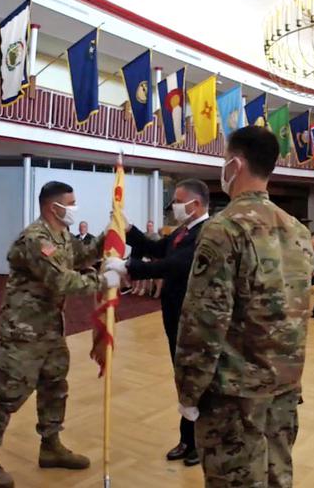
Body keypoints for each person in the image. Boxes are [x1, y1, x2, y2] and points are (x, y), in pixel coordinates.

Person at [174, 126, 314, 488]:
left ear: (235, 164)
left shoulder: (225, 229)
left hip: (235, 395)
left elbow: (203, 321)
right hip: (284, 385)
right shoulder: (297, 229)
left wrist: (189, 390)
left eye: (224, 160)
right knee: (277, 477)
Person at [0, 181, 119, 488]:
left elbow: (82, 255)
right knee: (8, 392)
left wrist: (112, 232)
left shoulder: (62, 235)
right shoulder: (35, 239)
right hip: (22, 330)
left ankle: (50, 446)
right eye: (72, 203)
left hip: (50, 326)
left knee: (55, 385)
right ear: (55, 207)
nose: (74, 209)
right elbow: (61, 281)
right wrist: (102, 280)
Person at [106, 179, 210, 466]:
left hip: (193, 317)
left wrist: (129, 267)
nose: (174, 207)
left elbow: (175, 265)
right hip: (174, 313)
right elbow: (159, 248)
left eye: (178, 201)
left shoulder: (206, 233)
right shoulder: (183, 230)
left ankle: (199, 443)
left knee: (194, 379)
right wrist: (128, 230)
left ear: (196, 204)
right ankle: (186, 439)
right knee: (182, 377)